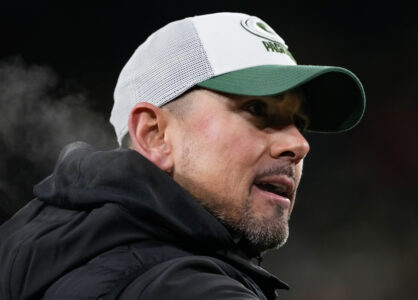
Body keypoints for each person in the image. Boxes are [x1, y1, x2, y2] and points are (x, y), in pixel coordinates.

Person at [0, 12, 365, 300]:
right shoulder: (182, 287)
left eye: (299, 121)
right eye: (257, 109)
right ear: (155, 135)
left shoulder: (41, 248)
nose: (299, 144)